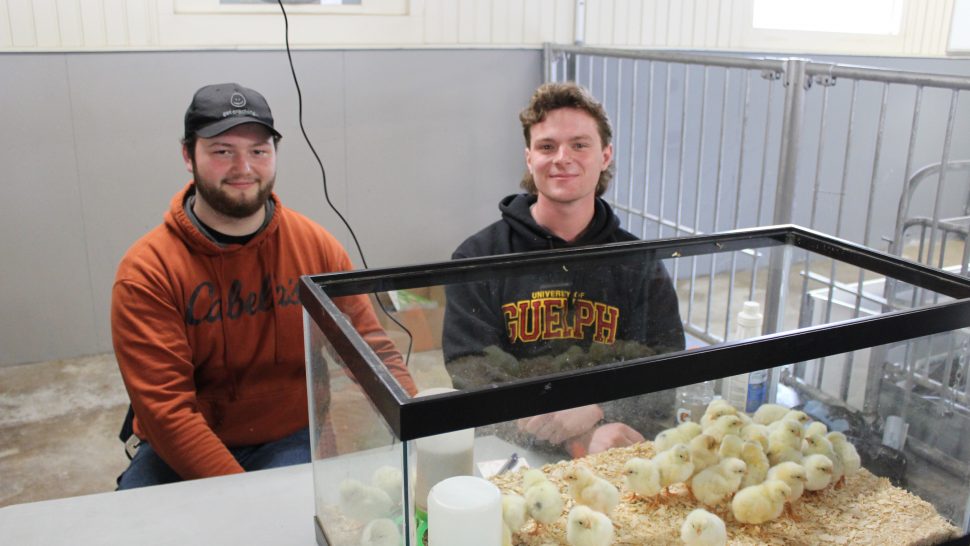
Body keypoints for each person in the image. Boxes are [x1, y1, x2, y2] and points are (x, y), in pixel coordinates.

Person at [111, 82, 415, 489]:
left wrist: (423, 429)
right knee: (132, 519)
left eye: (259, 151)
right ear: (188, 155)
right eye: (222, 151)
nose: (244, 168)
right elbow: (166, 412)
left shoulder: (316, 248)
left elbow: (371, 350)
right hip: (180, 441)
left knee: (303, 516)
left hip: (287, 435)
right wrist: (245, 497)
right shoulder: (148, 272)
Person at [442, 82, 685, 457]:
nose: (562, 158)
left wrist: (602, 408)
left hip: (608, 447)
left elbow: (664, 360)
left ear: (605, 156)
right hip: (513, 451)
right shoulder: (477, 257)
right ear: (529, 158)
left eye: (579, 145)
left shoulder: (638, 262)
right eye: (547, 146)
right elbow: (472, 371)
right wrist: (568, 431)